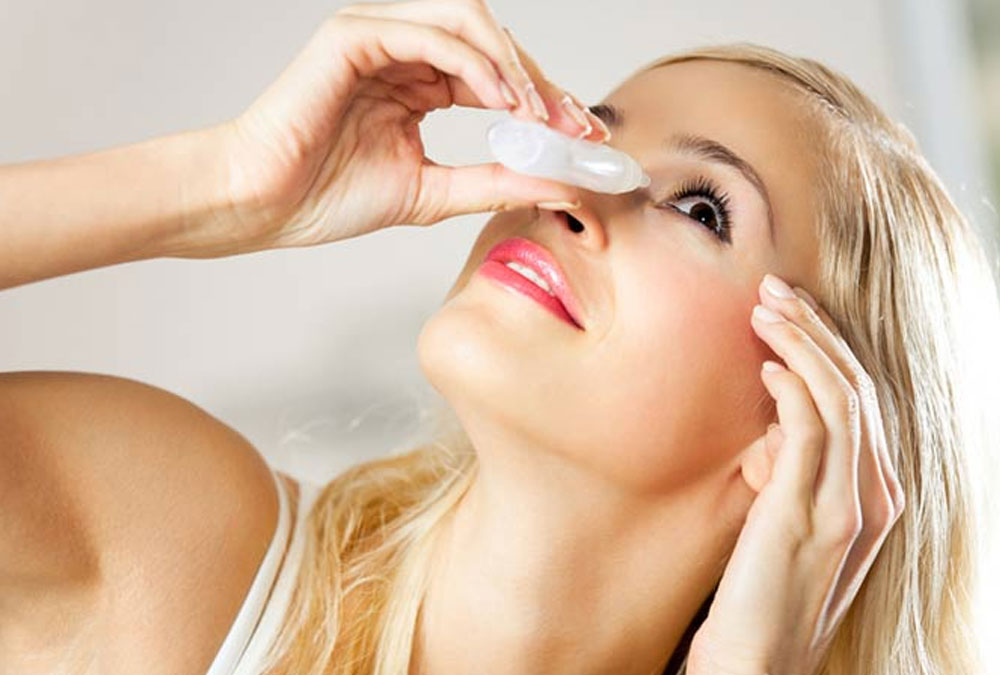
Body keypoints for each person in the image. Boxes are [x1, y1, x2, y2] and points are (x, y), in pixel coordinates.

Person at [1, 1, 996, 674]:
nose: (563, 189)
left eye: (702, 207)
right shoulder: (188, 551)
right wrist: (222, 185)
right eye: (591, 140)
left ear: (806, 432)